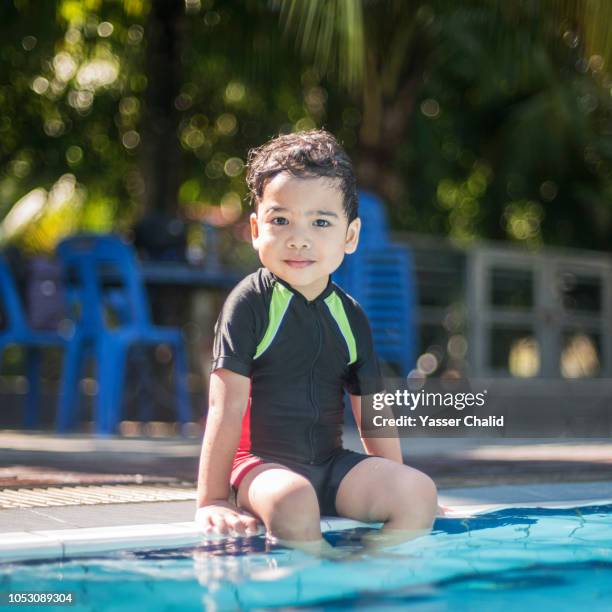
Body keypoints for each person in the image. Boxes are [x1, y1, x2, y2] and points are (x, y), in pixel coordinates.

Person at [194, 130, 438, 556]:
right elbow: (225, 405)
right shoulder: (249, 303)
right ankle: (320, 573)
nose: (299, 238)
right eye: (281, 220)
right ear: (256, 228)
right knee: (294, 499)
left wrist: (393, 484)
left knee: (419, 492)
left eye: (321, 222)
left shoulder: (351, 316)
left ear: (351, 235)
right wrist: (212, 498)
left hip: (330, 467)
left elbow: (373, 411)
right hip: (259, 468)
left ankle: (361, 572)